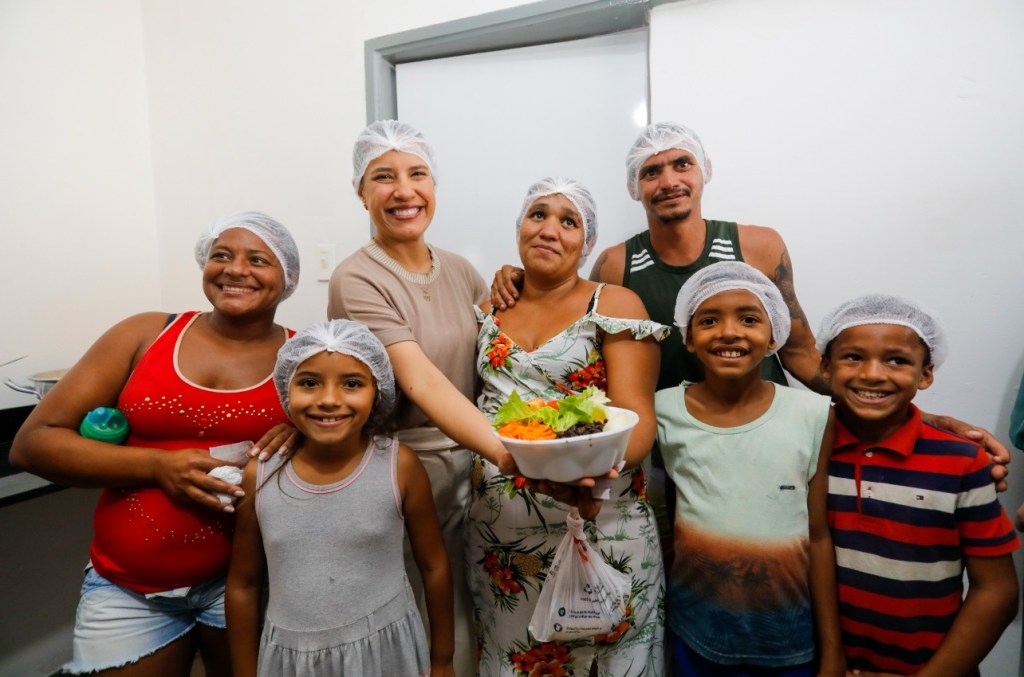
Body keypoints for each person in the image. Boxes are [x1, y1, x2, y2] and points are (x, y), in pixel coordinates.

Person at [10, 212, 300, 676]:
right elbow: (33, 444)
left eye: (258, 260)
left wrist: (305, 434)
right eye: (221, 255)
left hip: (251, 584)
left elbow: (354, 433)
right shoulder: (145, 334)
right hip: (129, 590)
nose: (235, 269)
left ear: (288, 278)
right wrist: (158, 467)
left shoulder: (303, 358)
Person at [327, 119, 519, 676]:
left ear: (434, 184)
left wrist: (520, 278)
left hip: (475, 463)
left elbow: (496, 359)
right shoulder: (357, 278)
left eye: (417, 174)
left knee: (479, 610)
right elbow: (423, 381)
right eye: (383, 177)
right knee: (430, 622)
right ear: (361, 192)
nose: (404, 191)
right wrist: (514, 455)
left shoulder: (460, 269)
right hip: (407, 471)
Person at [468, 177, 669, 676]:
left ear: (587, 242)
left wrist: (587, 477)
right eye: (538, 214)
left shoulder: (615, 305)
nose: (549, 229)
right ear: (519, 227)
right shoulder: (491, 307)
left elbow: (638, 422)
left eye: (569, 221)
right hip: (504, 545)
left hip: (601, 524)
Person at [226, 319, 454, 677]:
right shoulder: (262, 474)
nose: (329, 400)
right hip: (293, 661)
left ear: (377, 391)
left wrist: (442, 661)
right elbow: (243, 583)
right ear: (286, 388)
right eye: (309, 383)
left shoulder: (399, 466)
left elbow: (434, 565)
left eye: (352, 383)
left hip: (386, 655)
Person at [654, 262, 843, 676]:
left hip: (789, 638)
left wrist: (833, 651)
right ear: (688, 337)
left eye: (749, 319)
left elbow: (818, 536)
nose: (729, 332)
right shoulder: (662, 410)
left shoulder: (813, 413)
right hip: (697, 635)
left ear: (774, 335)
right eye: (709, 320)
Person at [820, 294, 1020, 675]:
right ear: (825, 368)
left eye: (897, 360)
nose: (873, 374)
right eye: (853, 357)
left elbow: (997, 591)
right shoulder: (809, 449)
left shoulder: (962, 461)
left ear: (925, 374)